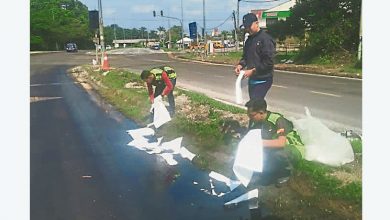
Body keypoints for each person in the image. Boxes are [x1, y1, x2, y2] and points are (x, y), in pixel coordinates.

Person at [245, 98, 304, 186]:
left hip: (293, 148)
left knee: (278, 154)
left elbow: (281, 143)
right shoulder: (256, 122)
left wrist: (259, 143)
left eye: (251, 115)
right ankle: (265, 170)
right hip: (273, 146)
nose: (249, 118)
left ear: (261, 112)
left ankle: (285, 172)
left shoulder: (277, 120)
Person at [234, 13, 276, 100]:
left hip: (263, 79)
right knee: (253, 103)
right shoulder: (249, 40)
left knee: (256, 104)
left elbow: (268, 62)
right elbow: (246, 56)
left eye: (249, 26)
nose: (247, 29)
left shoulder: (265, 39)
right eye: (246, 27)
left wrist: (253, 71)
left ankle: (262, 112)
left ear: (257, 23)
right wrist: (240, 65)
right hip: (252, 78)